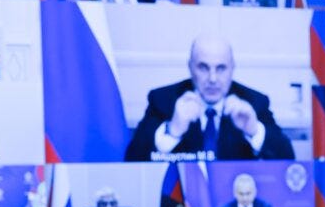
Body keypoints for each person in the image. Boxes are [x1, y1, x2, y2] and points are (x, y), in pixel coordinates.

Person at [124, 35, 294, 162]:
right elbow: (132, 160)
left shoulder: (254, 102)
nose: (212, 79)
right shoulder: (163, 100)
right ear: (190, 67)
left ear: (232, 69)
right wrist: (172, 132)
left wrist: (255, 131)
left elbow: (288, 160)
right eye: (203, 67)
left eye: (221, 68)